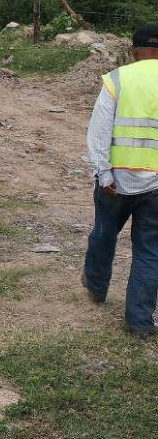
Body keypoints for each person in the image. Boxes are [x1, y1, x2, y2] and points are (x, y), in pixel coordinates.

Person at [82, 24, 158, 337]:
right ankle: (139, 323)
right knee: (150, 252)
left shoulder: (118, 78)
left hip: (116, 181)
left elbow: (99, 129)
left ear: (134, 50)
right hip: (156, 185)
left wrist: (103, 172)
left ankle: (97, 287)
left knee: (104, 233)